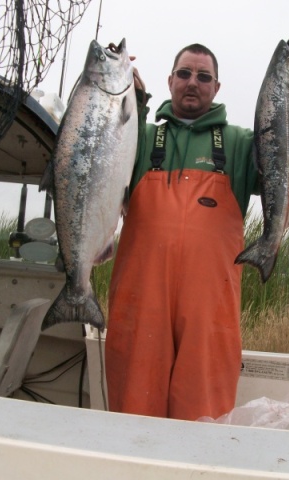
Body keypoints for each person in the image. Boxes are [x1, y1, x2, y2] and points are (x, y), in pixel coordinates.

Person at [104, 43, 259, 421]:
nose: (193, 83)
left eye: (204, 77)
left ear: (217, 88)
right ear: (170, 80)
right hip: (141, 302)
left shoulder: (239, 144)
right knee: (134, 409)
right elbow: (102, 138)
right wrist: (128, 99)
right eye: (185, 74)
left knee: (203, 415)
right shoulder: (141, 138)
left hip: (210, 311)